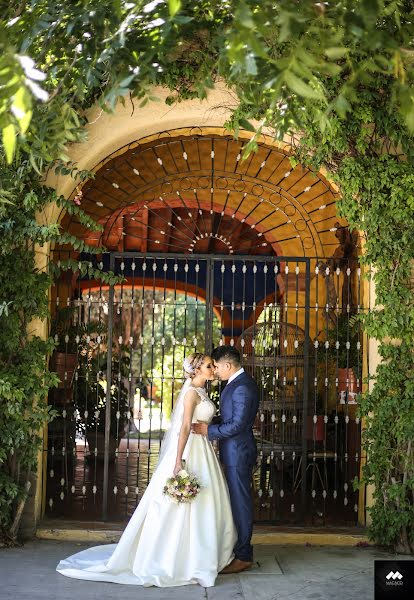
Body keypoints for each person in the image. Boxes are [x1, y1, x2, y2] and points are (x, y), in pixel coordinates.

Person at [56, 353, 236, 587]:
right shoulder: (191, 393)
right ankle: (178, 558)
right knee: (182, 504)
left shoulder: (202, 392)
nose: (214, 368)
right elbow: (183, 428)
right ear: (196, 370)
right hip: (190, 449)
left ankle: (203, 553)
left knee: (207, 500)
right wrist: (178, 460)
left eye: (213, 365)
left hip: (203, 449)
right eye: (209, 365)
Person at [192, 345, 259, 574]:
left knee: (241, 502)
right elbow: (231, 417)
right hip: (233, 450)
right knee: (236, 500)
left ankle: (244, 556)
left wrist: (208, 432)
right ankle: (238, 549)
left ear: (228, 366)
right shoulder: (236, 384)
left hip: (238, 452)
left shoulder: (243, 387)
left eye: (217, 366)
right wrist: (211, 422)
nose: (216, 371)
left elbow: (239, 424)